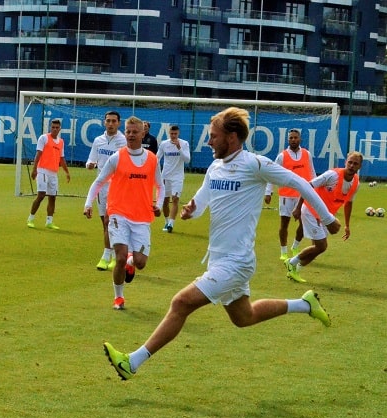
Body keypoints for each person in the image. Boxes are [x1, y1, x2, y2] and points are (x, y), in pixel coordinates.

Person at [103, 107, 341, 380]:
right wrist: (191, 210)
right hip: (219, 259)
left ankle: (132, 362)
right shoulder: (215, 167)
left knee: (181, 302)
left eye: (213, 136)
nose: (209, 141)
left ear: (231, 137)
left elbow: (300, 182)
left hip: (236, 262)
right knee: (244, 317)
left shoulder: (255, 164)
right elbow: (201, 202)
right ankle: (305, 304)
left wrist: (328, 218)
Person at [84, 116, 163, 310]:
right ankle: (118, 298)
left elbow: (160, 186)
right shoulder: (117, 157)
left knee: (140, 262)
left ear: (143, 133)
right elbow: (99, 182)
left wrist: (159, 204)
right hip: (118, 213)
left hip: (142, 217)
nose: (130, 135)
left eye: (135, 132)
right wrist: (88, 204)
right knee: (118, 257)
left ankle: (131, 262)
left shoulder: (152, 159)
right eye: (128, 132)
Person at [284, 151, 362, 283]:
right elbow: (307, 186)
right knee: (321, 246)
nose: (352, 165)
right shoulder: (332, 175)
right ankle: (291, 262)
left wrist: (347, 225)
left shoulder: (355, 184)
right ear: (345, 162)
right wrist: (298, 208)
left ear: (359, 166)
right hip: (309, 210)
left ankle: (295, 270)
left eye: (355, 163)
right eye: (350, 162)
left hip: (325, 216)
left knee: (317, 248)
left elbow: (348, 203)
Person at [264, 129, 315, 260]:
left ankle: (295, 246)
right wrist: (268, 192)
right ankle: (283, 251)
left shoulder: (307, 154)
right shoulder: (282, 156)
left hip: (303, 195)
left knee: (304, 224)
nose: (293, 140)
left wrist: (315, 190)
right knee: (284, 224)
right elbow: (272, 173)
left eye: (295, 137)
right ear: (288, 140)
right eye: (291, 138)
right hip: (286, 195)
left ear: (300, 139)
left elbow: (312, 172)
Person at [85, 110, 127, 270]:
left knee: (113, 222)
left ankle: (110, 255)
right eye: (108, 121)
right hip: (102, 187)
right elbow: (91, 158)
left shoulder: (123, 141)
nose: (110, 124)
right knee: (105, 223)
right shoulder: (98, 141)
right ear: (104, 122)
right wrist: (89, 164)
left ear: (119, 123)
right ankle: (109, 255)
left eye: (113, 121)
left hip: (118, 186)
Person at [26, 119, 71, 230]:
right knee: (41, 195)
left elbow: (62, 158)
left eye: (57, 127)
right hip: (42, 170)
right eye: (53, 127)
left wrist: (67, 172)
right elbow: (38, 154)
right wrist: (34, 169)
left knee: (52, 197)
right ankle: (30, 218)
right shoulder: (44, 138)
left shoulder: (61, 142)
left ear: (60, 129)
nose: (55, 129)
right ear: (50, 127)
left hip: (53, 172)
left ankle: (49, 221)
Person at [156, 124, 190, 233]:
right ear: (168, 133)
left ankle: (171, 224)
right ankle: (166, 221)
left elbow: (187, 160)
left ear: (178, 133)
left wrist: (179, 148)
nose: (173, 136)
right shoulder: (164, 144)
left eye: (175, 134)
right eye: (171, 133)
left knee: (175, 199)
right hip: (165, 176)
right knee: (165, 201)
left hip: (178, 177)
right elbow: (157, 158)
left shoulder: (184, 144)